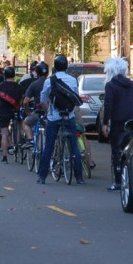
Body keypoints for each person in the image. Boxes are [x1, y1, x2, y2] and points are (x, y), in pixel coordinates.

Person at [36, 55, 83, 184]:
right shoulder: (73, 80)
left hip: (54, 117)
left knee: (49, 147)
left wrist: (48, 110)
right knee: (74, 147)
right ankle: (79, 177)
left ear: (55, 67)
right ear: (67, 66)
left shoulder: (49, 81)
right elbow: (75, 97)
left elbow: (43, 99)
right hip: (69, 116)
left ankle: (42, 176)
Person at [102, 57, 133, 191]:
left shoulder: (110, 85)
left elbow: (108, 105)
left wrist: (105, 123)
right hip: (130, 120)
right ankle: (128, 179)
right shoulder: (132, 85)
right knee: (128, 151)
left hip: (117, 121)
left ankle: (117, 181)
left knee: (116, 151)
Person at [0, 66, 22, 163]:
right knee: (20, 126)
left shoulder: (1, 86)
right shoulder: (18, 86)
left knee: (4, 133)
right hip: (15, 110)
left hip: (4, 111)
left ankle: (4, 157)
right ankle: (20, 145)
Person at [22, 61, 48, 145]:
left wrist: (27, 112)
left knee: (25, 123)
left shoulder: (34, 84)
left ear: (37, 72)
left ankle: (30, 139)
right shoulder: (51, 83)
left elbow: (25, 101)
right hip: (50, 114)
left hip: (38, 113)